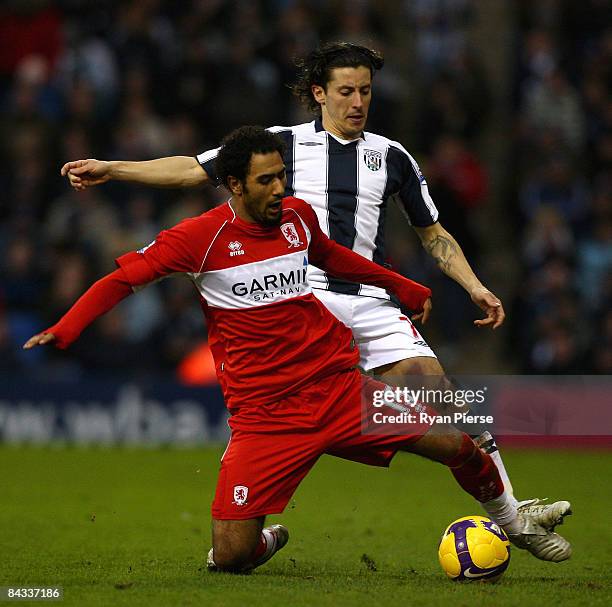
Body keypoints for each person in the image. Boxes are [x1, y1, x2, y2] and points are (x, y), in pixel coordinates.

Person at [60, 42, 568, 523]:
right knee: (287, 406)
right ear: (320, 93)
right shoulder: (278, 145)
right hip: (303, 298)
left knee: (447, 399)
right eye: (346, 91)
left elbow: (432, 234)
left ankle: (513, 515)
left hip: (370, 302)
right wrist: (114, 168)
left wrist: (473, 285)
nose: (357, 102)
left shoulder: (393, 157)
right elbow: (193, 170)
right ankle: (244, 497)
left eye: (365, 91)